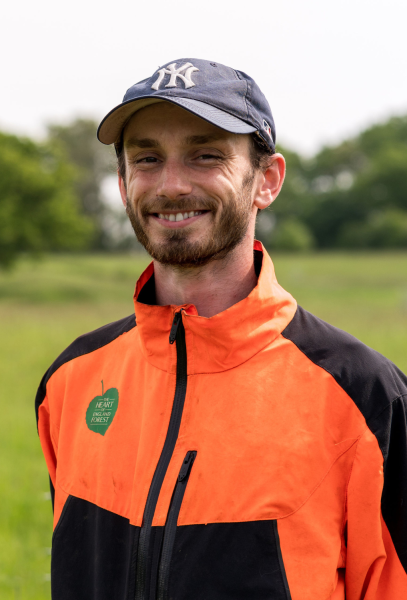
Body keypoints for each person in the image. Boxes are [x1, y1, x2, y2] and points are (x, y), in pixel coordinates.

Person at [36, 58, 407, 600]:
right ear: (122, 184)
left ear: (267, 180)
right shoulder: (71, 382)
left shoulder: (365, 397)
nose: (171, 184)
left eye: (206, 155)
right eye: (147, 158)